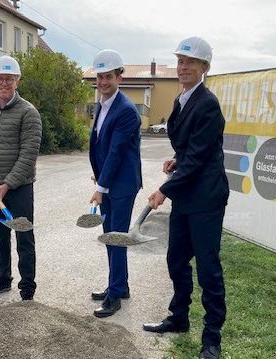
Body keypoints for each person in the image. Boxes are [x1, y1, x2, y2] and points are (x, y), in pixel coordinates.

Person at [142, 37, 229, 359]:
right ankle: (179, 318)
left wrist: (165, 189)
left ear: (204, 68)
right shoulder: (182, 101)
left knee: (208, 269)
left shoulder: (207, 103)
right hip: (187, 195)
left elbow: (201, 157)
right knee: (176, 261)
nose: (183, 67)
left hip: (206, 198)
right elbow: (190, 151)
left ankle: (212, 339)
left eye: (190, 63)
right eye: (180, 61)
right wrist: (177, 161)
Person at [0, 55, 42, 301]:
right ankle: (3, 279)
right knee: (0, 235)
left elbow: (29, 153)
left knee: (24, 236)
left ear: (17, 81)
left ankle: (27, 288)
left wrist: (8, 184)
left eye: (9, 79)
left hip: (19, 187)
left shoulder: (28, 112)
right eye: (0, 78)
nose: (4, 83)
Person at [88, 49, 142, 318]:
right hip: (109, 182)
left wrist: (101, 187)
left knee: (115, 238)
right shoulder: (103, 103)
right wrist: (99, 177)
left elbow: (116, 152)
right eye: (99, 77)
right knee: (112, 236)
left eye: (108, 76)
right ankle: (119, 286)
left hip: (121, 186)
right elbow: (101, 146)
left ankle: (115, 295)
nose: (103, 82)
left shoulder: (126, 111)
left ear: (119, 77)